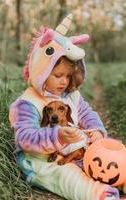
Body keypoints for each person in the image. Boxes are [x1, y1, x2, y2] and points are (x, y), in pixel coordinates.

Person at [9, 14, 121, 200]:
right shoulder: (28, 102)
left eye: (68, 76)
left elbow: (87, 114)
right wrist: (57, 136)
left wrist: (97, 131)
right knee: (69, 178)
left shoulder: (70, 96)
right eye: (58, 75)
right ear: (42, 70)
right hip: (41, 162)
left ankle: (120, 180)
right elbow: (24, 138)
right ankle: (103, 195)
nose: (64, 81)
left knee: (106, 162)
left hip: (74, 150)